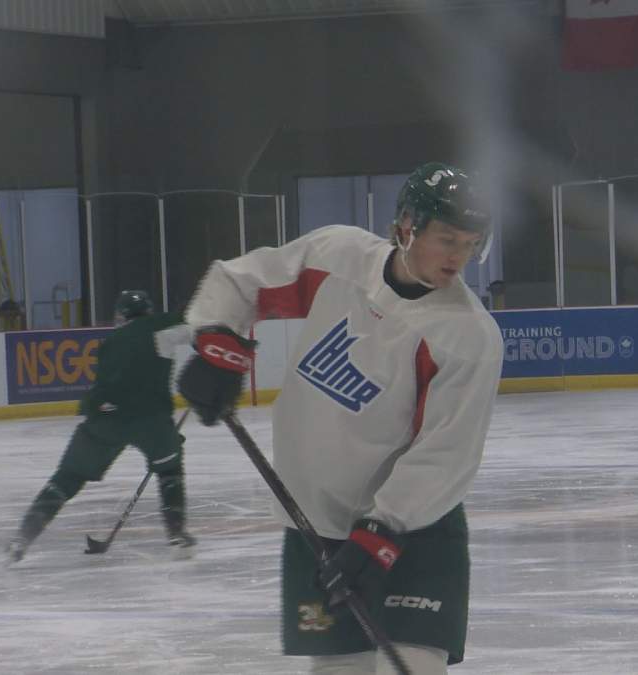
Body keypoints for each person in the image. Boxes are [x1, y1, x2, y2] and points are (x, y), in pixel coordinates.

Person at [177, 162, 504, 674]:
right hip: (317, 523)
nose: (458, 257)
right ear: (407, 226)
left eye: (470, 244)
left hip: (413, 533)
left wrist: (381, 532)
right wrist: (217, 342)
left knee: (415, 666)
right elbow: (240, 282)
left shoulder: (468, 336)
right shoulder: (341, 256)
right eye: (446, 239)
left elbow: (446, 454)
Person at [6, 290, 195, 563]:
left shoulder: (111, 341)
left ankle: (22, 537)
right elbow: (197, 329)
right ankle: (177, 536)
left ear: (121, 316)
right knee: (169, 468)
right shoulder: (159, 327)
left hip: (104, 416)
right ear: (148, 311)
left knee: (67, 477)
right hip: (150, 419)